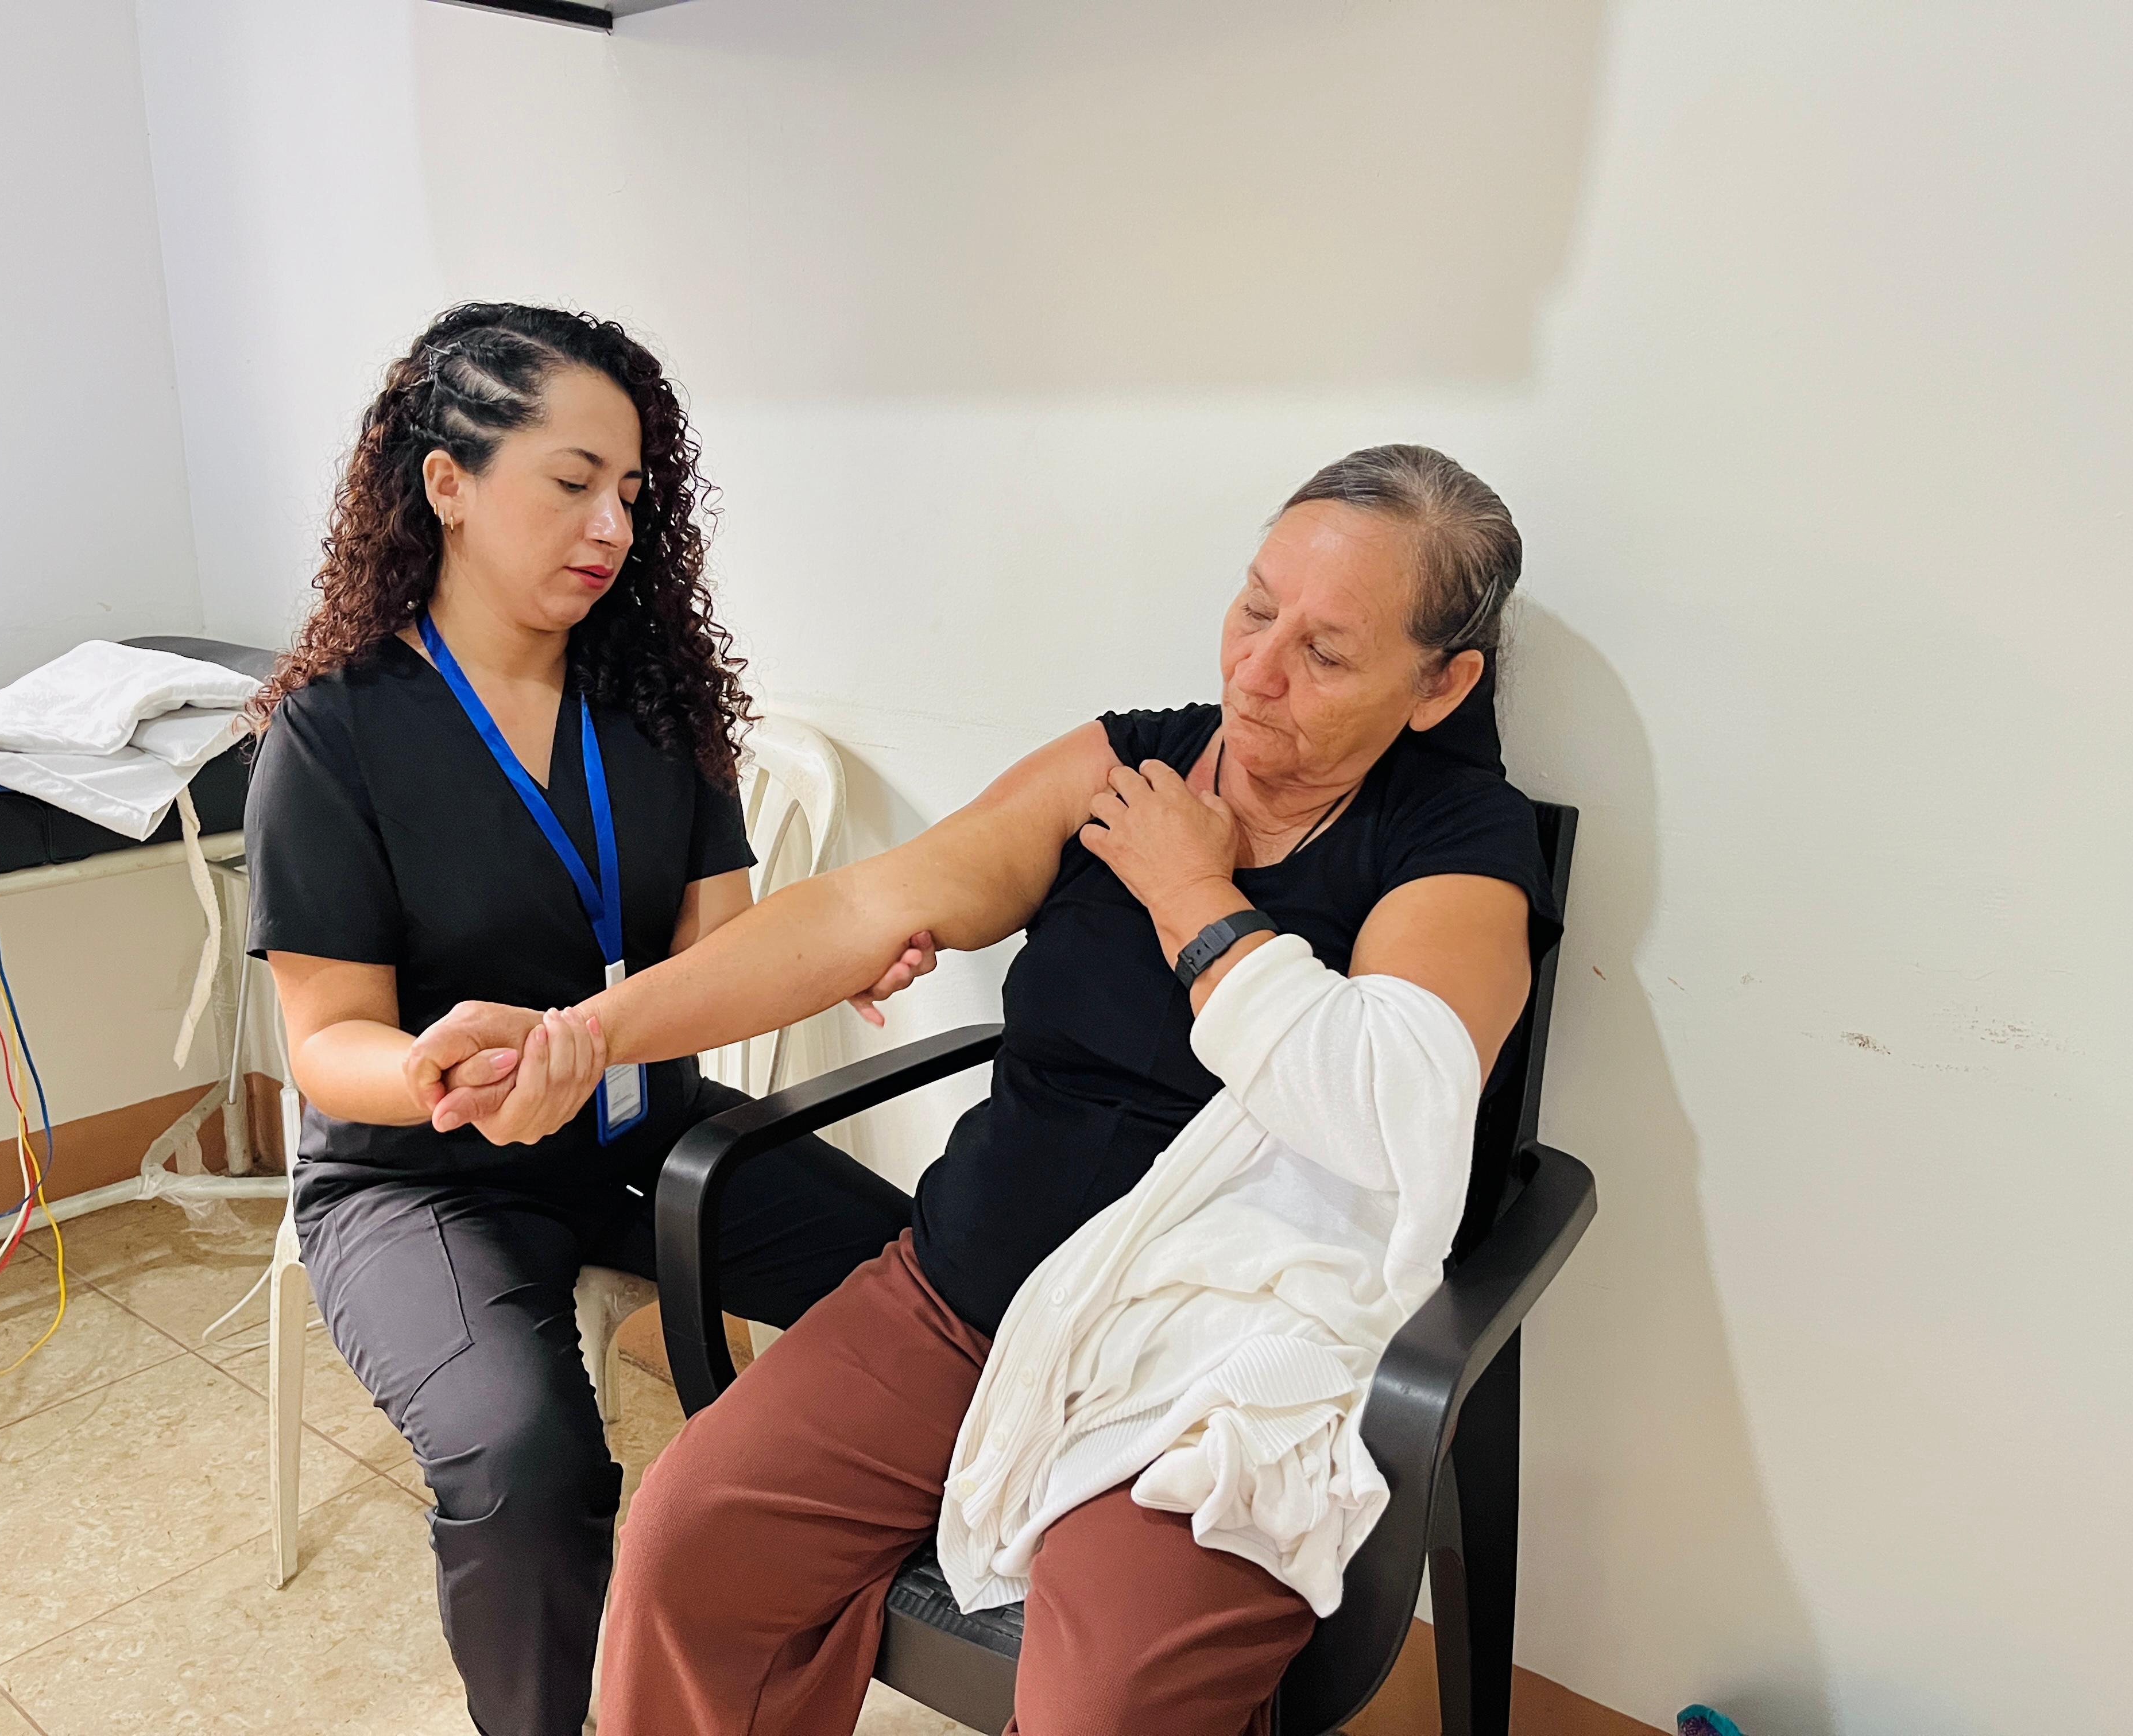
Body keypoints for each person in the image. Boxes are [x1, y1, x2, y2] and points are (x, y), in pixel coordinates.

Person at [413, 443, 1562, 1735]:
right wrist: (580, 1036)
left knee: (1109, 1704)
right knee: (689, 1545)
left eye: (1327, 654)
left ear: (1440, 683)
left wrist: (1192, 892)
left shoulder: (1456, 842)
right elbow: (860, 909)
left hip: (1206, 1380)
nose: (1255, 671)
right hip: (958, 1295)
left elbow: (1384, 1106)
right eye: (1254, 608)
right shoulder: (1126, 766)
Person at [242, 302, 931, 1736]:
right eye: (572, 483)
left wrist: (825, 961)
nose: (613, 525)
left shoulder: (658, 701)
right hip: (421, 1177)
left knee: (930, 1290)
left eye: (631, 491)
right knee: (525, 1467)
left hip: (642, 1132)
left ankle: (798, 1647)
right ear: (447, 483)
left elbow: (721, 950)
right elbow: (326, 1041)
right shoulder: (337, 733)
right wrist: (435, 1072)